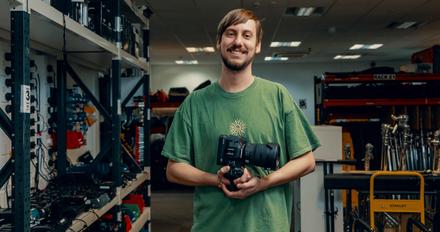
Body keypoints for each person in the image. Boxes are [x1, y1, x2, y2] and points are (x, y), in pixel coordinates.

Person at [161, 8, 320, 232]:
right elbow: (173, 169)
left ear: (257, 45)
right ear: (219, 42)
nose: (238, 42)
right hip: (212, 226)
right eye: (230, 33)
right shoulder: (194, 103)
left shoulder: (277, 95)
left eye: (247, 35)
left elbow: (307, 161)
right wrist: (216, 179)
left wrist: (262, 183)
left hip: (269, 226)